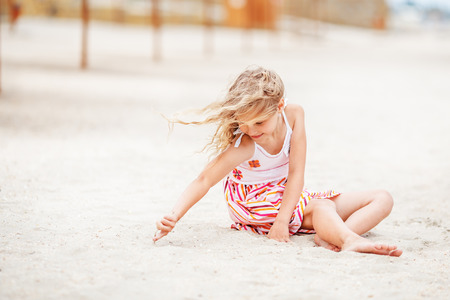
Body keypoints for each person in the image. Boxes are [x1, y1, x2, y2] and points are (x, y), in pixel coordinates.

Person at [153, 66, 402, 256]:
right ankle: (348, 241)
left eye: (259, 122)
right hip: (252, 201)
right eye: (244, 122)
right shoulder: (247, 145)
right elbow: (204, 179)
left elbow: (296, 174)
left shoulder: (294, 115)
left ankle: (331, 236)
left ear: (280, 106)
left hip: (285, 193)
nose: (251, 129)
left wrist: (283, 219)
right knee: (323, 207)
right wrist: (174, 215)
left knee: (382, 198)